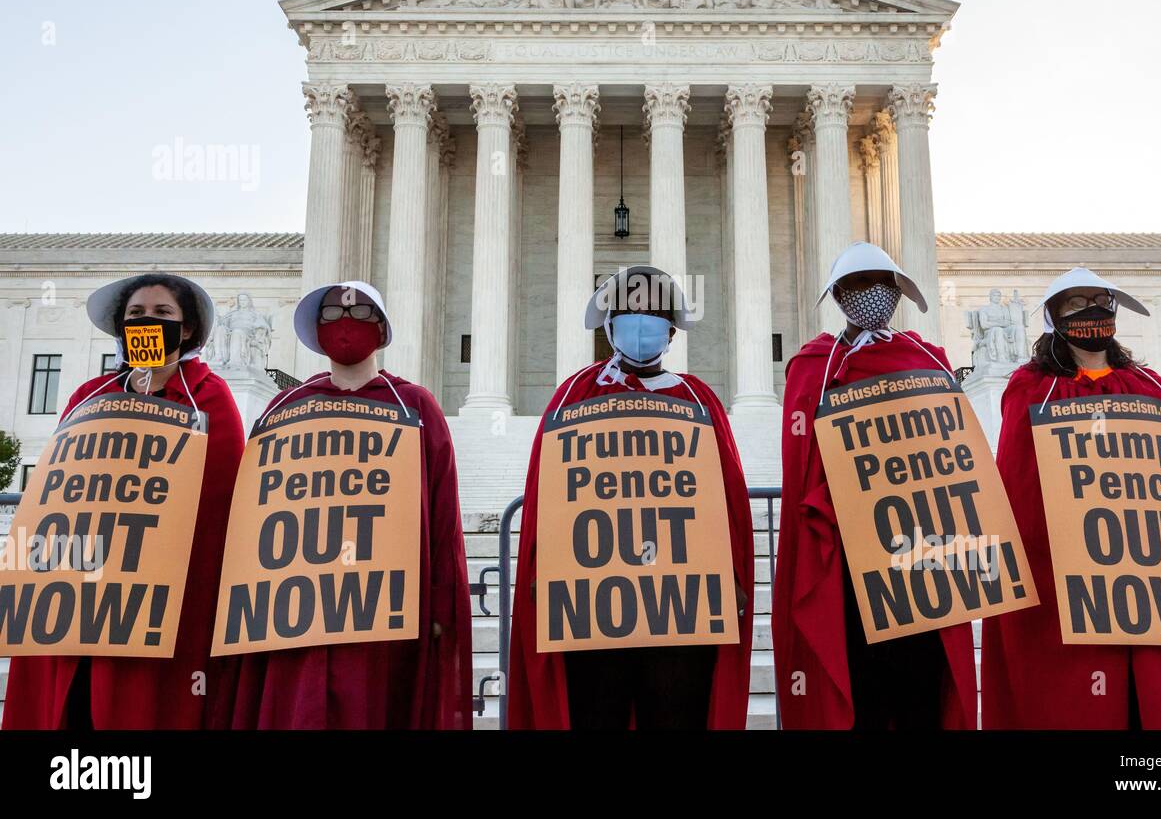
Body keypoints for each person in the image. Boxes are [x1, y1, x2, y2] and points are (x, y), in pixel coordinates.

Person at [215, 281, 472, 729]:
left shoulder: (414, 405)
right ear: (316, 330)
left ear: (382, 328)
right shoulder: (285, 408)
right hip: (294, 614)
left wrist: (439, 607)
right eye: (331, 315)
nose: (344, 324)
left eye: (358, 314)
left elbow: (442, 511)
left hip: (381, 621)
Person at [507, 265, 754, 729]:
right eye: (630, 309)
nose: (643, 319)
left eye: (655, 311)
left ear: (672, 331)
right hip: (593, 611)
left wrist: (733, 575)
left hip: (682, 610)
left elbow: (728, 496)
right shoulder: (572, 396)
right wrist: (545, 568)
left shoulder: (699, 400)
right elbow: (548, 494)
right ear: (610, 323)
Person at [3, 273, 244, 729]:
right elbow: (55, 492)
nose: (147, 322)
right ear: (121, 325)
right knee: (72, 704)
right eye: (136, 314)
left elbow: (222, 500)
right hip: (79, 586)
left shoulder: (210, 398)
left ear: (187, 328)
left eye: (162, 314)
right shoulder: (89, 396)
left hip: (160, 596)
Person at [980, 267, 1161, 728]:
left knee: (1148, 698)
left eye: (1098, 300)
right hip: (1063, 580)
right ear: (1054, 318)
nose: (1090, 310)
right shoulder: (1031, 389)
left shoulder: (1148, 386)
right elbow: (1018, 479)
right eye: (1074, 304)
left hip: (1148, 576)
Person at [773, 242, 977, 729]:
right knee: (862, 684)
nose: (871, 295)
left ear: (896, 292)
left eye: (880, 284)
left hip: (922, 556)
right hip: (847, 557)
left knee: (921, 685)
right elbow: (802, 465)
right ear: (839, 295)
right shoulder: (813, 367)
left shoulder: (929, 360)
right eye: (858, 285)